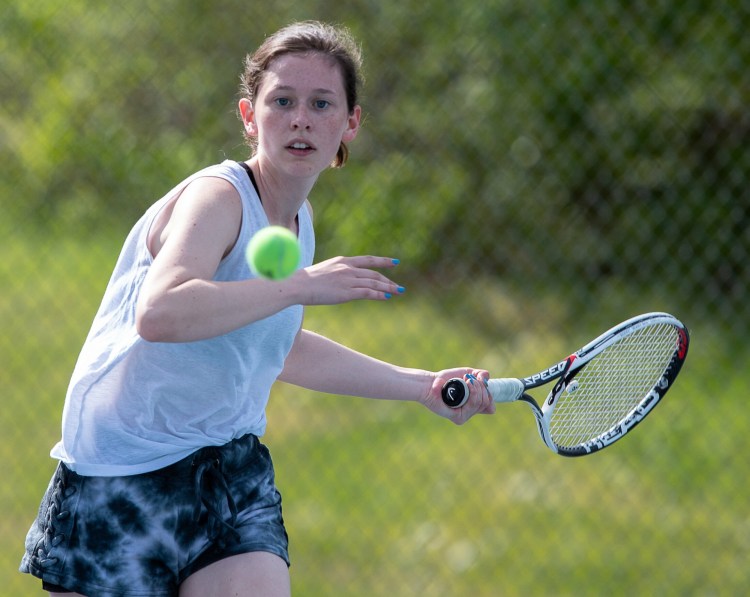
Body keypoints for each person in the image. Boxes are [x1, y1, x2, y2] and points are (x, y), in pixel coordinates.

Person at [20, 21, 495, 597]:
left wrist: (422, 386)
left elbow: (277, 345)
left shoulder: (296, 223)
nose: (301, 118)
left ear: (351, 122)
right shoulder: (218, 198)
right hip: (121, 476)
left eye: (322, 103)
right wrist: (297, 287)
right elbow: (160, 313)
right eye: (282, 101)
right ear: (250, 117)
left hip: (226, 469)